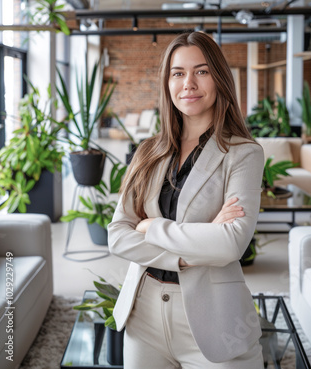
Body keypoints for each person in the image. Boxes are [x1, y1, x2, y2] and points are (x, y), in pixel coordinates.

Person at [108, 31, 265, 369]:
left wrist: (151, 226)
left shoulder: (243, 154)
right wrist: (190, 254)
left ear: (219, 78)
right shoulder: (148, 151)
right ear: (168, 82)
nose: (188, 83)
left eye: (202, 71)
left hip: (217, 321)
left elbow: (230, 244)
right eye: (178, 73)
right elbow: (118, 235)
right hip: (144, 315)